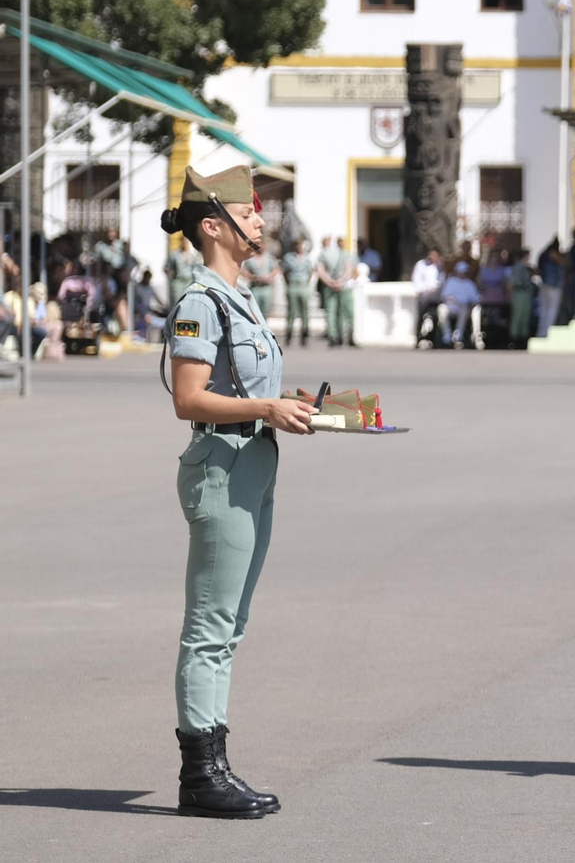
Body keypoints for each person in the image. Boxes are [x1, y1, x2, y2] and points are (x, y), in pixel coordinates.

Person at [157, 164, 316, 819]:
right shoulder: (201, 301)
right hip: (223, 467)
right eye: (248, 213)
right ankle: (200, 773)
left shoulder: (240, 296)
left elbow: (246, 389)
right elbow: (189, 398)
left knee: (231, 623)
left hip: (254, 463)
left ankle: (216, 763)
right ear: (214, 226)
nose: (260, 221)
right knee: (210, 627)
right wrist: (265, 407)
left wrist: (296, 406)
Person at [316, 237, 355, 347]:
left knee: (332, 312)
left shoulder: (323, 254)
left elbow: (321, 271)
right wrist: (340, 281)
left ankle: (333, 336)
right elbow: (349, 270)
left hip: (331, 285)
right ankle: (347, 336)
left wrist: (331, 282)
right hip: (343, 285)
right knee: (344, 312)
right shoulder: (345, 254)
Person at [280, 239, 315, 346]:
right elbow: (285, 272)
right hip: (293, 285)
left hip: (303, 285)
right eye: (298, 246)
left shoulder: (306, 259)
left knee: (305, 311)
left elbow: (310, 273)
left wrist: (305, 283)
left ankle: (304, 334)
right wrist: (289, 283)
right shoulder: (289, 258)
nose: (300, 248)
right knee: (291, 311)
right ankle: (289, 334)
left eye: (301, 246)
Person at [440, 261, 481, 348]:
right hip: (451, 306)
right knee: (441, 309)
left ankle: (458, 335)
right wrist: (452, 299)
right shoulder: (451, 281)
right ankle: (446, 335)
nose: (462, 273)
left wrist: (471, 305)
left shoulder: (470, 284)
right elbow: (444, 296)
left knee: (464, 310)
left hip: (464, 307)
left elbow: (476, 299)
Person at [410, 248, 445, 347]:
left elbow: (442, 280)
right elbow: (416, 279)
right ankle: (418, 338)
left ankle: (433, 338)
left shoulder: (440, 267)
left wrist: (435, 290)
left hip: (435, 297)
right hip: (423, 296)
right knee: (421, 317)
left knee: (435, 318)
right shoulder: (421, 265)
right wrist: (423, 290)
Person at [536, 238, 565, 337]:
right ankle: (546, 334)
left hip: (545, 285)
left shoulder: (542, 254)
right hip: (552, 286)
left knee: (544, 312)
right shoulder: (551, 253)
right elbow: (562, 262)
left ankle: (542, 333)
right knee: (551, 312)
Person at [508, 248, 535, 347]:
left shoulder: (526, 268)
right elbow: (511, 283)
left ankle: (523, 338)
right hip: (518, 292)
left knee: (525, 316)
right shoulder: (517, 267)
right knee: (517, 316)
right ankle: (514, 339)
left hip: (526, 293)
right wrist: (510, 297)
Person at [241, 251, 278, 324]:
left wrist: (269, 277)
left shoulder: (269, 257)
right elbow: (243, 270)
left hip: (266, 287)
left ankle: (264, 326)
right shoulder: (251, 257)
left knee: (265, 310)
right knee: (253, 310)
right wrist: (251, 277)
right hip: (255, 286)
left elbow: (276, 269)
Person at [166, 238, 202, 311]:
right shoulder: (174, 254)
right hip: (179, 281)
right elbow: (167, 268)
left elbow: (198, 268)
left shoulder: (193, 255)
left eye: (187, 242)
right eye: (184, 241)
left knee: (190, 301)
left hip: (190, 281)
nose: (185, 243)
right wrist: (171, 277)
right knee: (177, 302)